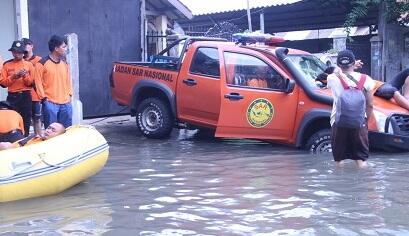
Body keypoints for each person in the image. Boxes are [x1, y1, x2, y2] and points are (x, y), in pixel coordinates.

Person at [327, 50, 375, 168]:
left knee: (339, 159)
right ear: (354, 63)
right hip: (359, 122)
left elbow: (335, 71)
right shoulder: (366, 79)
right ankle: (362, 183)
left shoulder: (332, 78)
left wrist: (345, 67)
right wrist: (365, 121)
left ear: (338, 64)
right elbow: (370, 105)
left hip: (338, 122)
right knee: (361, 159)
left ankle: (339, 185)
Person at [36, 35, 73, 129]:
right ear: (56, 48)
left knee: (66, 131)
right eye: (64, 46)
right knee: (51, 133)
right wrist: (44, 99)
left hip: (66, 103)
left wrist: (70, 95)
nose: (66, 49)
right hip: (50, 103)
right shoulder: (41, 64)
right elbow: (38, 83)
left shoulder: (65, 63)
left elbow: (68, 81)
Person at [0, 40, 34, 136]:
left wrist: (24, 76)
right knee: (12, 119)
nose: (17, 54)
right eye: (15, 51)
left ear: (23, 53)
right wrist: (14, 76)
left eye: (19, 52)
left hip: (26, 96)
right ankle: (13, 139)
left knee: (26, 119)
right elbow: (3, 83)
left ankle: (25, 138)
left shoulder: (29, 65)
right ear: (12, 52)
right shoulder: (6, 65)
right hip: (13, 96)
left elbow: (31, 83)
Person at [22, 37, 44, 136]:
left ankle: (38, 137)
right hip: (23, 95)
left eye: (25, 45)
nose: (24, 47)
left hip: (35, 95)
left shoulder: (39, 60)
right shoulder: (19, 61)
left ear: (31, 46)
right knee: (24, 118)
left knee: (37, 118)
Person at [0, 122, 65, 150]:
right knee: (4, 145)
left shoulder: (54, 145)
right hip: (18, 150)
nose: (48, 131)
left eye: (53, 130)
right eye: (48, 128)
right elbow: (20, 143)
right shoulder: (35, 137)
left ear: (59, 135)